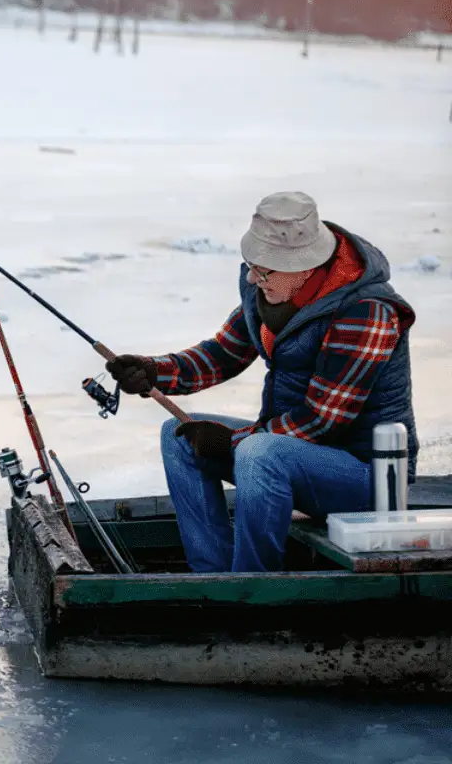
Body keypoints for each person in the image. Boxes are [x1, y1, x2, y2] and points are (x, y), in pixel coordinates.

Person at [107, 191, 419, 573]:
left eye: (265, 270)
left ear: (305, 266)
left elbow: (321, 420)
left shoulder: (366, 312)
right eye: (251, 265)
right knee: (178, 434)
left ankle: (252, 582)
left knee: (259, 453)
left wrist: (231, 442)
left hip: (367, 479)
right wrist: (153, 371)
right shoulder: (270, 289)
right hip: (289, 454)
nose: (253, 278)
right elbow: (223, 354)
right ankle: (212, 577)